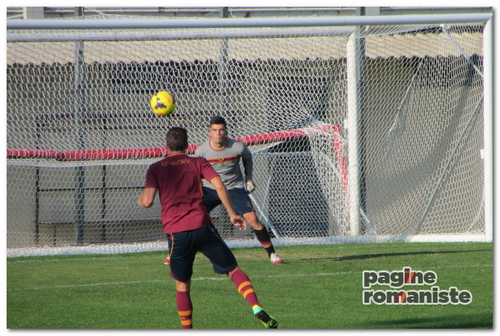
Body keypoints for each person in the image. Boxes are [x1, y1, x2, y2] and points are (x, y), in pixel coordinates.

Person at [138, 127, 278, 329]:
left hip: (178, 233)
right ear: (188, 146)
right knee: (232, 269)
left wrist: (141, 200)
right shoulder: (198, 162)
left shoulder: (155, 167)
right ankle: (256, 306)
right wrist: (232, 213)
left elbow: (148, 201)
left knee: (182, 286)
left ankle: (188, 330)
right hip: (202, 227)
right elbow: (219, 185)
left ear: (166, 147)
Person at [164, 116, 283, 265]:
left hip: (234, 188)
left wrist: (249, 179)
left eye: (221, 130)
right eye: (215, 130)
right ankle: (172, 253)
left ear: (226, 131)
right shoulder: (201, 151)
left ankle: (272, 253)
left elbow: (248, 158)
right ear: (210, 133)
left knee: (253, 219)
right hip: (210, 189)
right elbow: (195, 172)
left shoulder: (238, 147)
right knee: (185, 216)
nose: (218, 133)